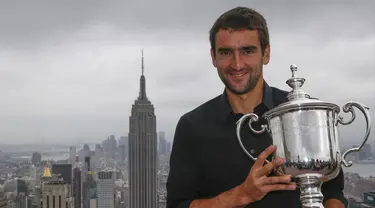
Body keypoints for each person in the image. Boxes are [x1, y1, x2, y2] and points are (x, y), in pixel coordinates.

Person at [166, 6, 348, 208]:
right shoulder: (192, 126)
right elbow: (178, 205)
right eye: (226, 52)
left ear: (266, 54)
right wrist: (240, 195)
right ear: (213, 57)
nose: (237, 64)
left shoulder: (304, 113)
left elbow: (333, 192)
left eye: (247, 51)